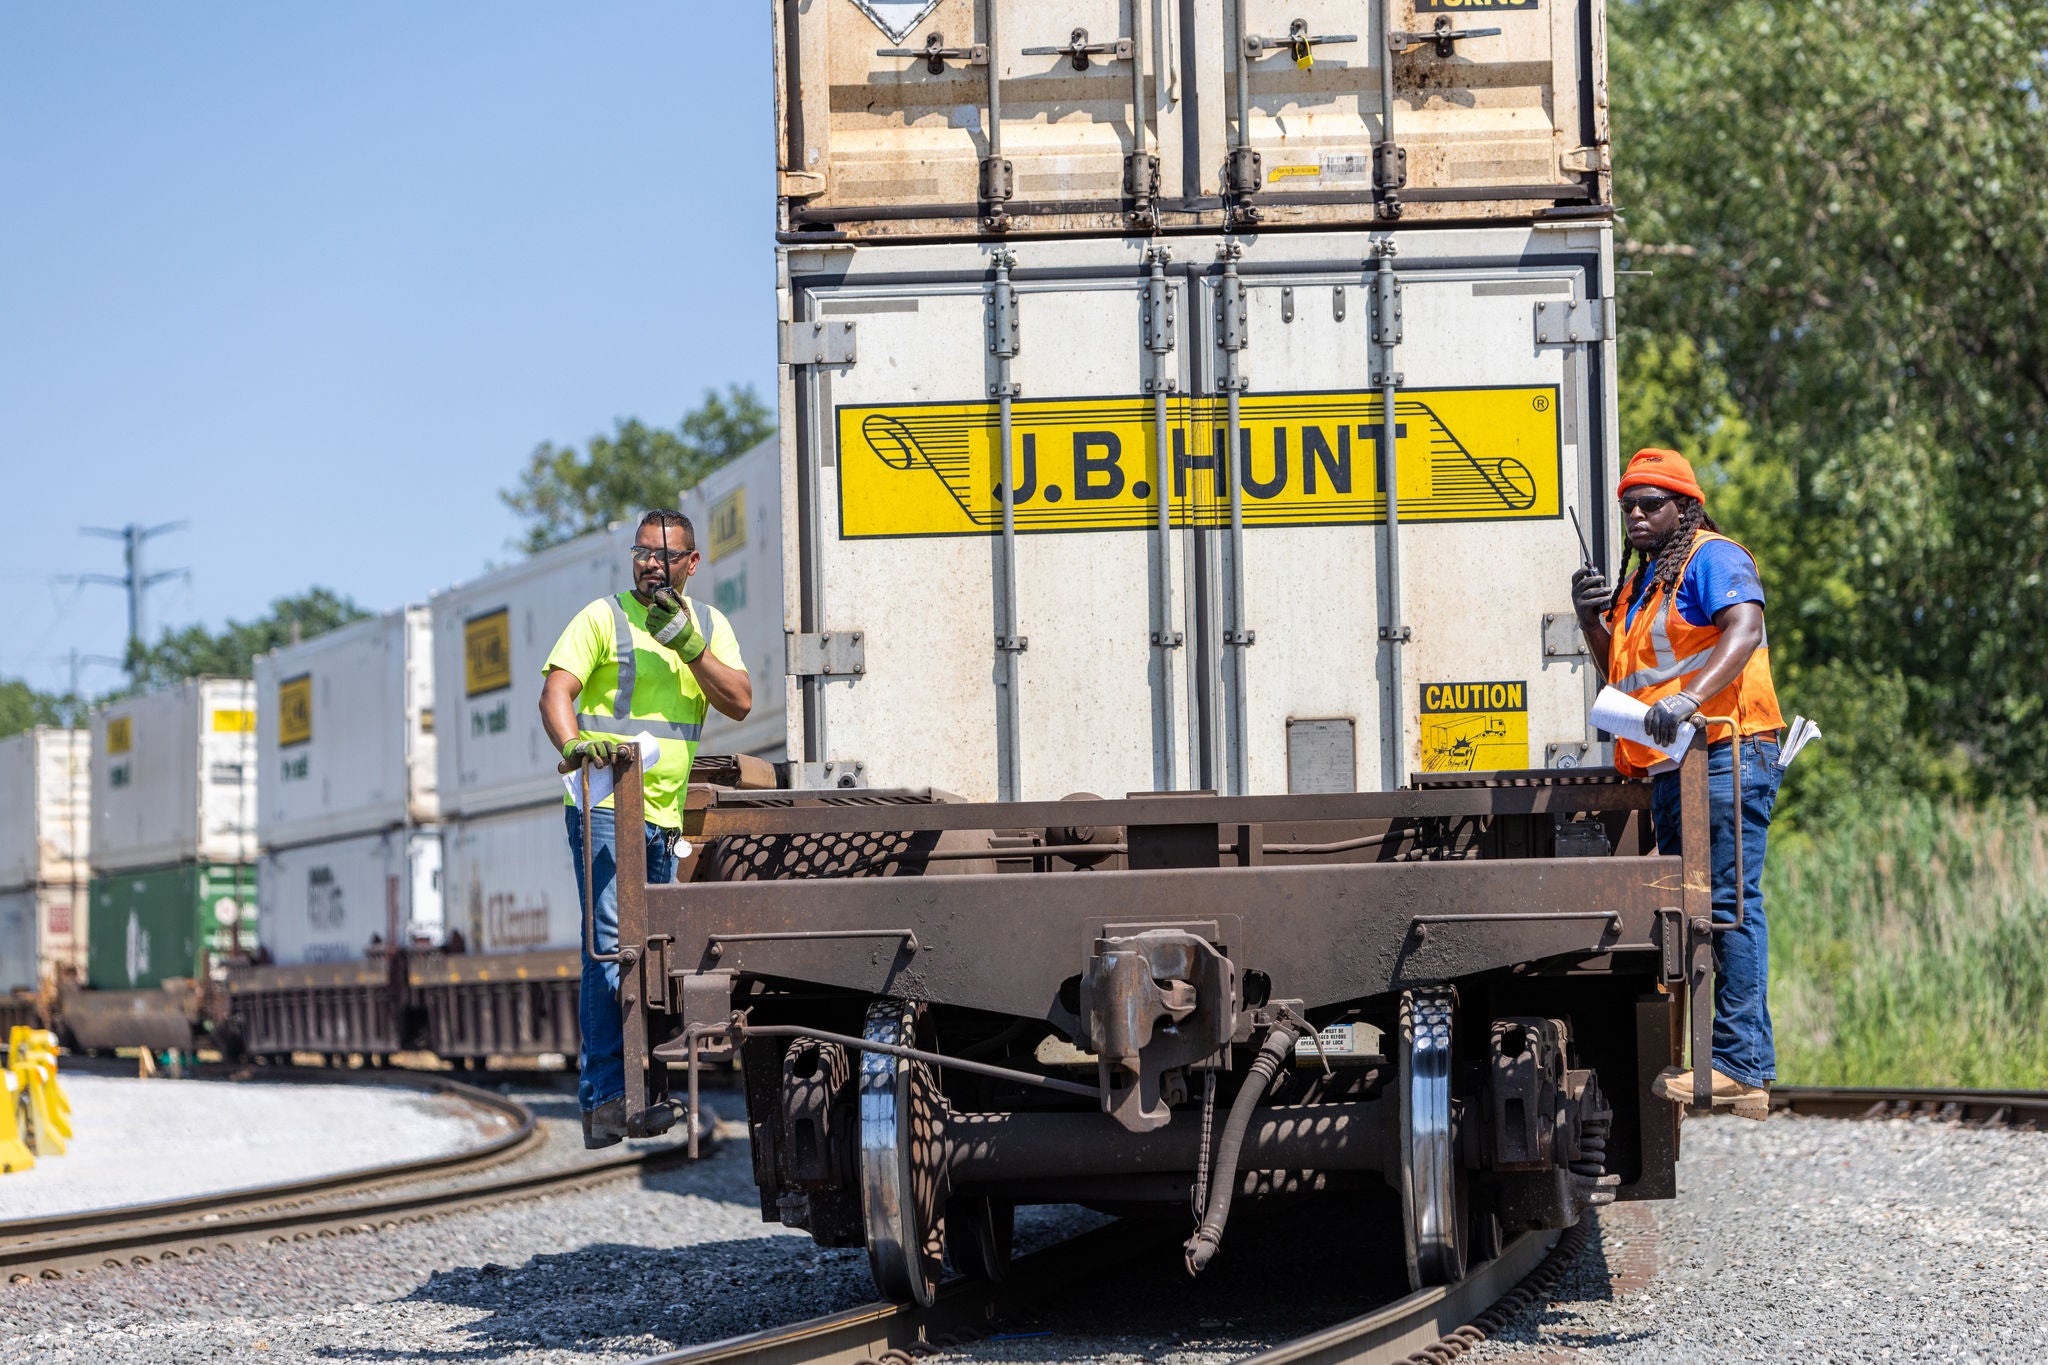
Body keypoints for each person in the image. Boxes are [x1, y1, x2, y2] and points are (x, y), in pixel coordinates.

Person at [1571, 449, 1784, 1120]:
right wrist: (1589, 619)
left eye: (1652, 502)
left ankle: (1743, 1067)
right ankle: (1716, 1063)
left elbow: (1744, 630)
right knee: (1696, 913)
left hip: (1725, 750)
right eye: (1628, 504)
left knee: (1730, 901)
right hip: (1676, 766)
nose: (1636, 513)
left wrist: (1691, 698)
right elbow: (1625, 677)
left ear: (1685, 507)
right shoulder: (1643, 584)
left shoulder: (1712, 557)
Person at [539, 509, 751, 1147]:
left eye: (665, 556)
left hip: (663, 816)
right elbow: (557, 693)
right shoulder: (602, 618)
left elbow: (739, 700)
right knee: (612, 948)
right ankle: (607, 1099)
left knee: (654, 958)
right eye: (642, 553)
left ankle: (647, 1093)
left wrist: (689, 644)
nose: (651, 564)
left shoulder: (709, 626)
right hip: (605, 805)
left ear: (691, 563)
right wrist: (576, 746)